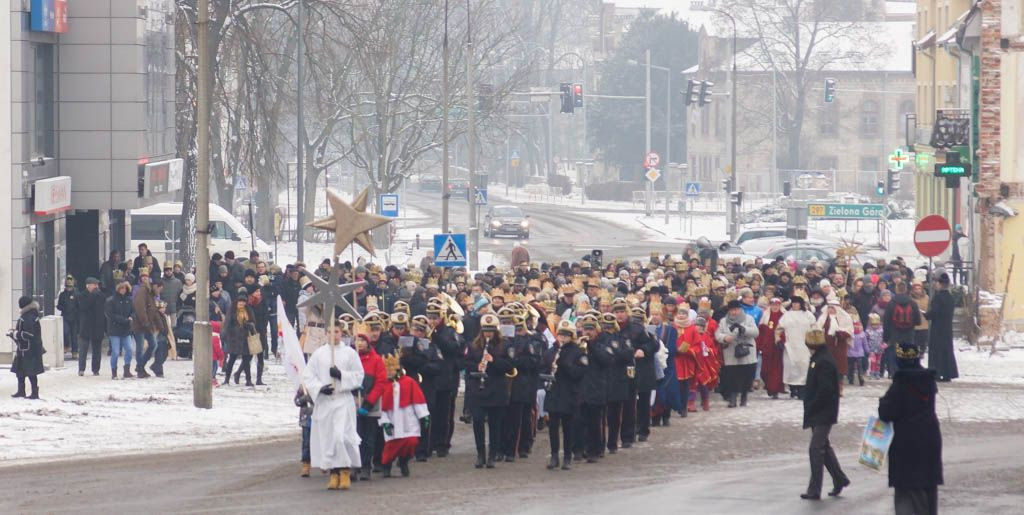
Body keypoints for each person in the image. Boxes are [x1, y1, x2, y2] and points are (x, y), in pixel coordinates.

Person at [878, 342, 943, 515]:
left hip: (907, 442)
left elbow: (886, 412)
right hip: (930, 438)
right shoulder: (928, 381)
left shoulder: (900, 384)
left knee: (908, 491)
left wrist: (882, 401)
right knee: (928, 488)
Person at [302, 322, 365, 490]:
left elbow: (359, 375)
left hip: (343, 400)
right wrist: (319, 388)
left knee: (340, 436)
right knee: (328, 438)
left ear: (341, 332)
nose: (333, 335)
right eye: (329, 332)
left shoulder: (349, 353)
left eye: (336, 331)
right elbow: (308, 375)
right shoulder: (319, 354)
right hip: (325, 402)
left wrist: (342, 375)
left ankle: (345, 470)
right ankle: (333, 472)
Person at [800, 327, 850, 500]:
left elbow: (825, 391)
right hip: (819, 411)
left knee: (816, 449)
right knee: (824, 449)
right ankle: (839, 479)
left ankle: (815, 489)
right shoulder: (819, 359)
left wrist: (812, 405)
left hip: (823, 412)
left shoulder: (824, 362)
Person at [462, 313, 514, 468]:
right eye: (485, 331)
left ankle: (492, 454)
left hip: (496, 389)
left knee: (494, 424)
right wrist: (477, 366)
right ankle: (480, 454)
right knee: (477, 421)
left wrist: (494, 360)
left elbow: (509, 366)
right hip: (478, 390)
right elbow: (465, 363)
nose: (488, 334)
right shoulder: (473, 345)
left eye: (491, 331)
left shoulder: (504, 345)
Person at [543, 319, 586, 470]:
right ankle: (554, 455)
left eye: (566, 335)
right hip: (554, 392)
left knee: (568, 427)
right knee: (553, 426)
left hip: (569, 394)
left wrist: (564, 364)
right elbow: (542, 368)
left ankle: (567, 456)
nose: (563, 338)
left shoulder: (577, 352)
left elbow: (578, 373)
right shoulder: (551, 351)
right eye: (561, 335)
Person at [378, 353, 430, 478]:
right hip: (392, 419)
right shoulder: (384, 384)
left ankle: (403, 461)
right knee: (391, 446)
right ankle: (386, 465)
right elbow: (381, 406)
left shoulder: (409, 382)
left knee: (411, 442)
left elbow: (418, 399)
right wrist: (384, 421)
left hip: (408, 419)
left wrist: (424, 416)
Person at [355, 331, 388, 481]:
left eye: (362, 340)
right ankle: (355, 466)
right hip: (353, 403)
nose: (360, 343)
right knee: (354, 436)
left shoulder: (376, 360)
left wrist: (368, 403)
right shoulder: (351, 358)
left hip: (370, 404)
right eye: (357, 340)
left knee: (368, 437)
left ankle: (366, 466)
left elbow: (381, 383)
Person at [715, 300, 758, 408]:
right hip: (731, 352)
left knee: (746, 376)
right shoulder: (723, 321)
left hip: (747, 351)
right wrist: (725, 338)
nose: (734, 312)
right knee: (732, 377)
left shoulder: (749, 319)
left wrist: (744, 329)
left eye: (736, 310)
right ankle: (733, 399)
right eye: (732, 310)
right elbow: (717, 334)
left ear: (740, 309)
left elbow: (756, 332)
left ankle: (744, 396)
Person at [924, 273, 958, 382]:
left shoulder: (938, 297)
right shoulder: (950, 298)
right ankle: (947, 373)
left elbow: (935, 312)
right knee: (947, 350)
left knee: (936, 350)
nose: (935, 284)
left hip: (937, 328)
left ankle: (937, 373)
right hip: (947, 328)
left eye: (936, 282)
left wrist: (926, 315)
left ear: (940, 284)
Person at [10, 296, 44, 399]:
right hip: (25, 348)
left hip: (29, 349)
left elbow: (29, 334)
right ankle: (21, 391)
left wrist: (15, 334)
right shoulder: (30, 315)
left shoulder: (28, 317)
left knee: (31, 372)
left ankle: (34, 393)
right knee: (20, 371)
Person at [222, 291, 258, 387]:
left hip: (246, 338)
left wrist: (249, 325)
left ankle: (248, 380)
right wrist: (225, 335)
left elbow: (253, 322)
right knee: (232, 360)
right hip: (234, 339)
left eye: (243, 301)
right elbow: (228, 324)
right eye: (240, 301)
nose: (242, 303)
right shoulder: (232, 310)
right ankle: (227, 379)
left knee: (246, 361)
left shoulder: (248, 310)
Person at [131, 277, 164, 378]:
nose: (159, 292)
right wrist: (145, 322)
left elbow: (154, 312)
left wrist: (161, 327)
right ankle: (140, 369)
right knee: (140, 347)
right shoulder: (143, 291)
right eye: (160, 289)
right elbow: (139, 307)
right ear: (155, 286)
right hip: (140, 325)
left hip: (147, 325)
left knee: (153, 344)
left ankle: (140, 366)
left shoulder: (151, 294)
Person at [756, 298, 786, 399]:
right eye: (773, 304)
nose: (775, 307)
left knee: (777, 369)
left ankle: (775, 389)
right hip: (767, 347)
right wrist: (759, 345)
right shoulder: (765, 316)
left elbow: (786, 331)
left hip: (778, 347)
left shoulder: (783, 316)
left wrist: (782, 341)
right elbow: (761, 333)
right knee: (765, 369)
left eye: (777, 304)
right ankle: (769, 387)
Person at [77, 277, 107, 376]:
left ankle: (96, 369)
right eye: (95, 285)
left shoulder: (100, 295)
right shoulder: (82, 295)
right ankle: (81, 369)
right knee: (83, 349)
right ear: (88, 285)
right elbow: (83, 306)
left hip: (97, 325)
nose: (96, 287)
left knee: (97, 350)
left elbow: (103, 305)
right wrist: (92, 296)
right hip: (86, 325)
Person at [105, 281, 135, 379]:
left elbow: (133, 312)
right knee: (116, 352)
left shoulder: (129, 300)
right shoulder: (111, 300)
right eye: (121, 288)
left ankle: (127, 370)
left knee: (129, 350)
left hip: (126, 330)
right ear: (118, 289)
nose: (123, 290)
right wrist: (125, 320)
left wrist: (131, 318)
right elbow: (111, 315)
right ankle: (114, 372)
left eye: (125, 288)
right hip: (114, 330)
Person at [57, 275, 80, 359]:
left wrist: (76, 312)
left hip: (74, 317)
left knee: (74, 335)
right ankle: (66, 346)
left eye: (70, 286)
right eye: (67, 286)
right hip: (65, 316)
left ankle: (75, 351)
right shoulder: (62, 295)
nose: (68, 288)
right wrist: (64, 308)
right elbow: (59, 306)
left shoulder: (77, 294)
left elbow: (79, 306)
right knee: (65, 332)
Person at [295, 387, 314, 478]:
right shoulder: (303, 387)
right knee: (306, 443)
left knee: (321, 442)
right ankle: (306, 464)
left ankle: (324, 462)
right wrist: (304, 398)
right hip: (306, 420)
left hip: (319, 419)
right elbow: (297, 401)